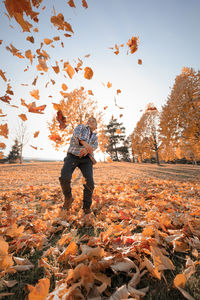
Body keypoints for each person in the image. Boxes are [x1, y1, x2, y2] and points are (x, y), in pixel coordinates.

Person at [59, 117, 98, 214]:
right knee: (64, 177)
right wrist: (87, 146)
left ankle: (86, 207)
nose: (90, 122)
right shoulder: (81, 127)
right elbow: (78, 135)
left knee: (89, 182)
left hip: (86, 159)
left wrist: (87, 149)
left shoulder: (95, 136)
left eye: (93, 121)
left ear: (96, 126)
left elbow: (95, 146)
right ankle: (68, 198)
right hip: (73, 156)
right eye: (89, 120)